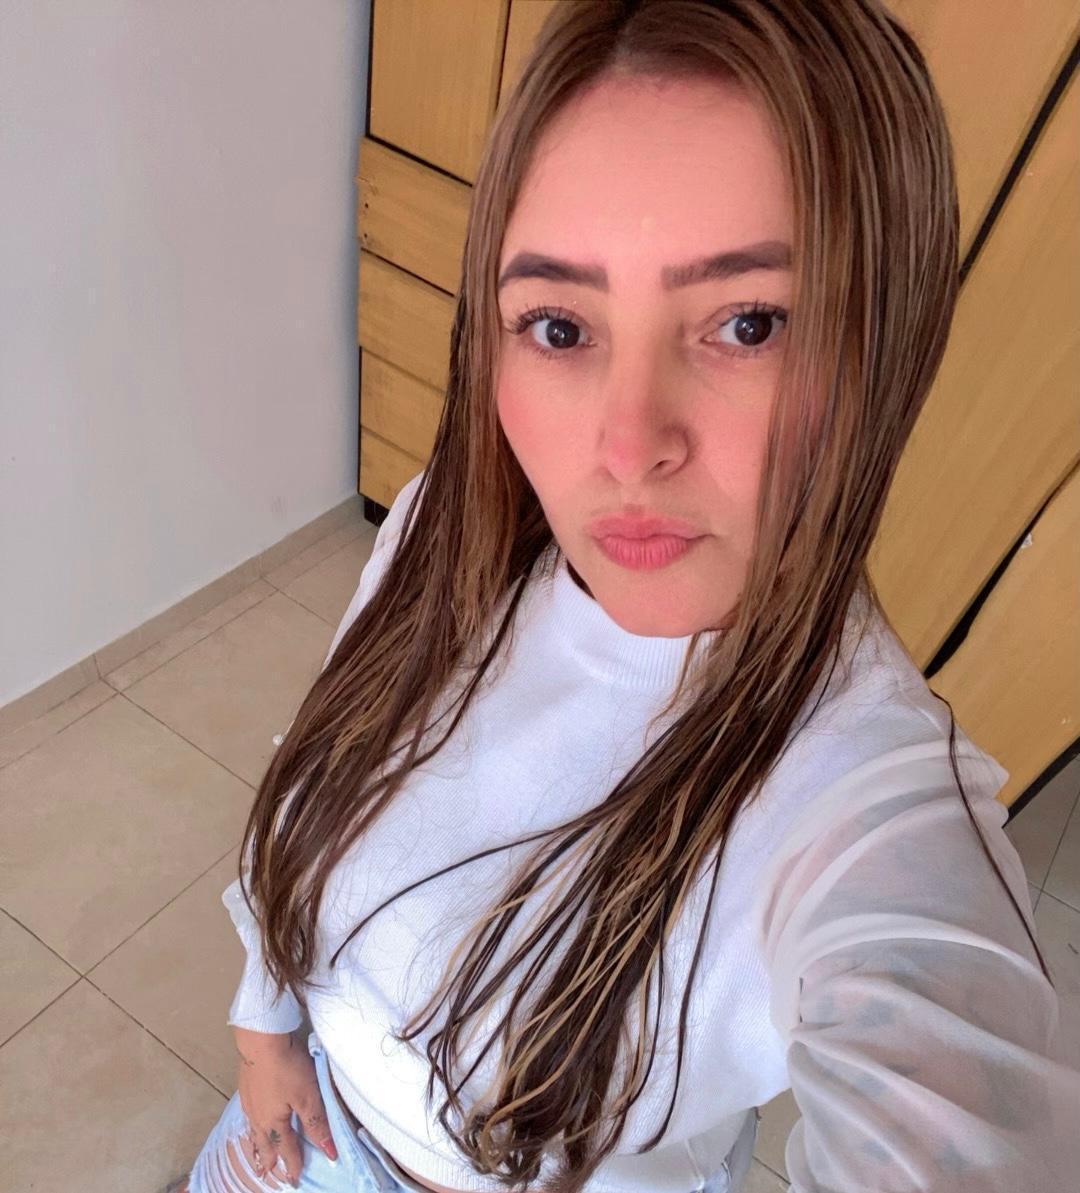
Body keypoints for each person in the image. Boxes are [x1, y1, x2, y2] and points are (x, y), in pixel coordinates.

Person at [175, 2, 1080, 1191]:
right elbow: (315, 788)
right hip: (296, 1139)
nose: (627, 444)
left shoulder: (863, 801)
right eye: (559, 325)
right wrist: (265, 1035)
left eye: (749, 323)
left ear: (886, 344)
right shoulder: (445, 529)